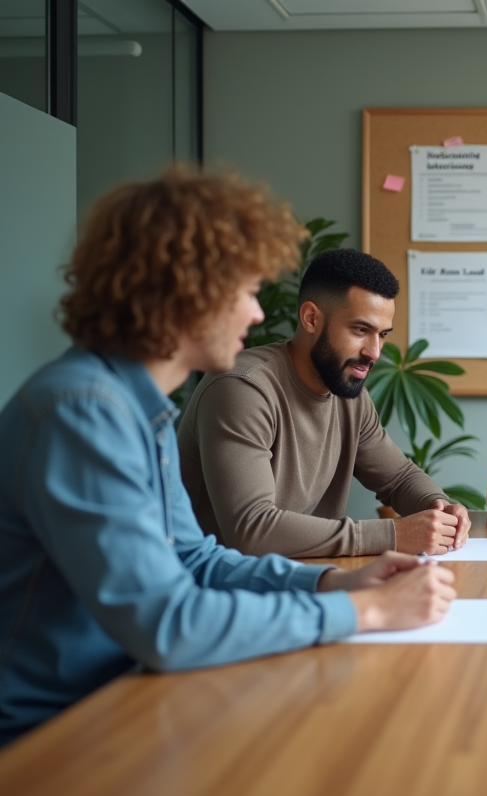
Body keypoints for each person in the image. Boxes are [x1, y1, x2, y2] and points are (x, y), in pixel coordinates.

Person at [0, 168, 457, 747]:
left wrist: (335, 588)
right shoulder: (81, 412)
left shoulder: (142, 410)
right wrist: (367, 615)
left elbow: (198, 562)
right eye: (243, 291)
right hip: (50, 733)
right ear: (180, 290)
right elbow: (166, 623)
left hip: (126, 698)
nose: (258, 313)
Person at [177, 248, 471, 558]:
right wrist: (393, 535)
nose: (374, 352)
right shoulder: (242, 388)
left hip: (301, 579)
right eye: (361, 330)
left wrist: (440, 506)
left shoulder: (347, 394)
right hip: (215, 590)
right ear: (311, 318)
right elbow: (252, 529)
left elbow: (399, 478)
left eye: (382, 335)